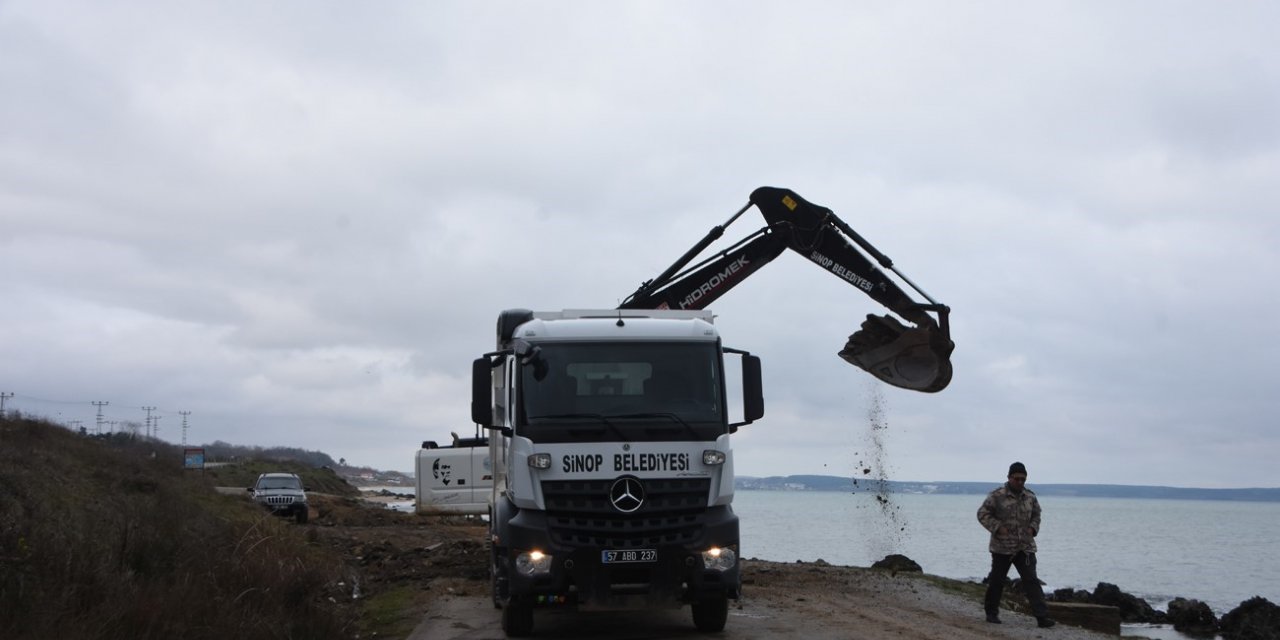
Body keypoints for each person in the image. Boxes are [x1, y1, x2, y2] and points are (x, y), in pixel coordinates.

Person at [976, 461, 1056, 628]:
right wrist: (998, 528)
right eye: (1017, 479)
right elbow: (982, 514)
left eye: (1023, 479)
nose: (1020, 482)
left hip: (1025, 548)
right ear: (1009, 477)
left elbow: (1037, 515)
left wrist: (1033, 529)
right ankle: (991, 613)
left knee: (1032, 581)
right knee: (997, 581)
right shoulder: (997, 496)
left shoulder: (1030, 497)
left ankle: (1042, 617)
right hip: (1002, 547)